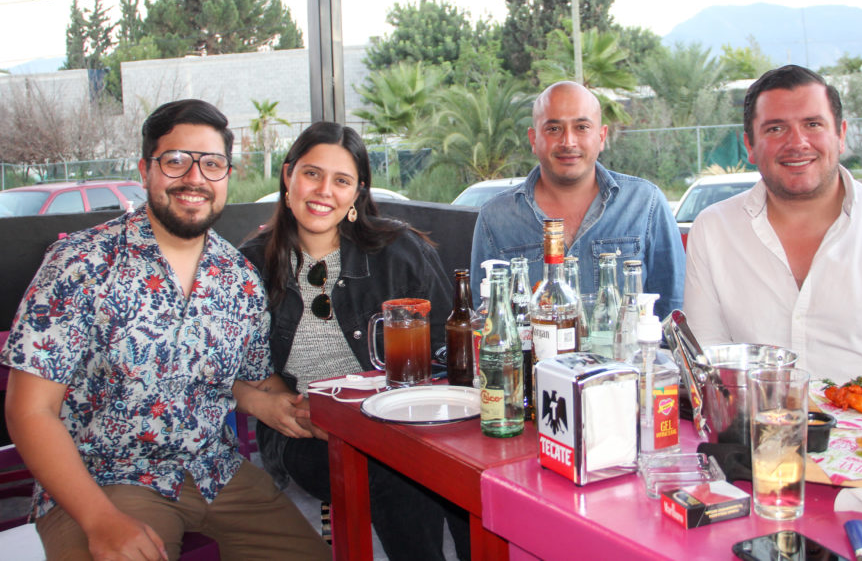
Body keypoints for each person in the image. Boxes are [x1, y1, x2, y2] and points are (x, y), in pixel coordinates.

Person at [1, 99, 329, 560]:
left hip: (216, 472)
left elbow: (252, 380)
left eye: (212, 164)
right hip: (104, 478)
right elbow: (29, 412)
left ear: (226, 176)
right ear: (145, 169)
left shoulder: (238, 278)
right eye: (176, 161)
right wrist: (99, 519)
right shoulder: (81, 263)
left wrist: (289, 408)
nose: (195, 179)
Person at [237, 121, 469, 561]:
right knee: (398, 479)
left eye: (341, 180)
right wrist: (278, 404)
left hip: (406, 417)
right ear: (288, 176)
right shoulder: (249, 265)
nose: (324, 190)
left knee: (461, 483)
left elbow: (446, 349)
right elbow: (232, 369)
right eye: (312, 174)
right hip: (305, 429)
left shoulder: (400, 250)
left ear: (357, 193)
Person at [683, 65, 862, 393]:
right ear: (750, 146)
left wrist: (843, 428)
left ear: (840, 135)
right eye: (775, 129)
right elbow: (708, 358)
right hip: (754, 436)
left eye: (813, 124)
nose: (797, 143)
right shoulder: (714, 229)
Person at [470, 80, 685, 319]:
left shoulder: (645, 204)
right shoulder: (497, 218)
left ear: (602, 136)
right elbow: (485, 320)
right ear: (533, 139)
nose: (568, 142)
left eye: (582, 127)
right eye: (553, 129)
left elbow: (672, 313)